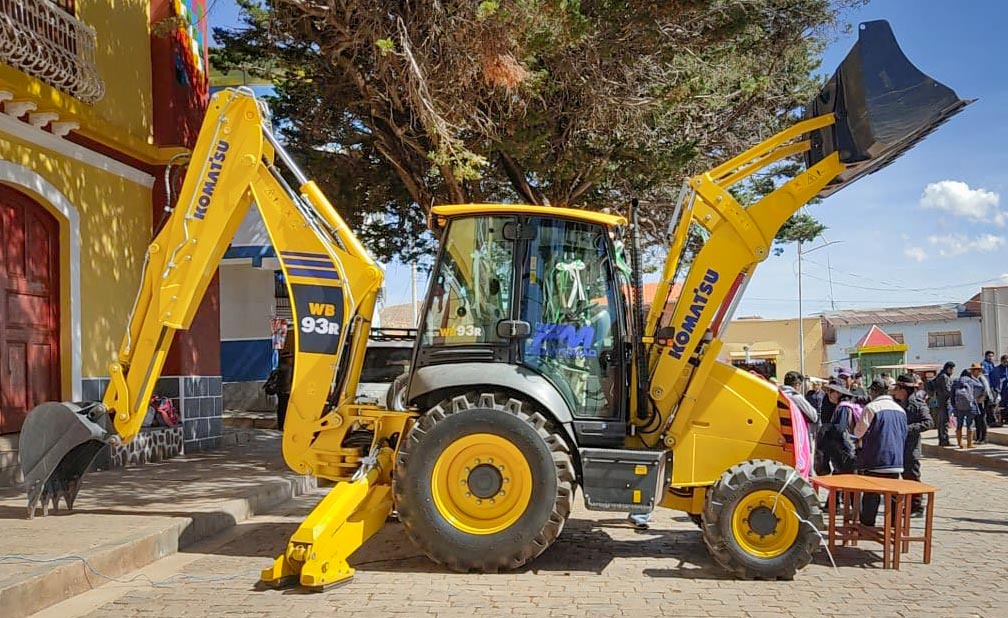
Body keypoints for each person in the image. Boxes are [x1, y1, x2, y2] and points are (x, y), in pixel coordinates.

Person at [854, 379, 908, 527]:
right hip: (896, 461)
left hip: (875, 459)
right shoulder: (900, 410)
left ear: (874, 391)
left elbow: (859, 432)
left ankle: (867, 527)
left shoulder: (871, 408)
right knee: (893, 497)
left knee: (871, 496)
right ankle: (893, 528)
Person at [891, 374, 933, 516]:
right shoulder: (896, 403)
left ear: (903, 390)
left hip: (911, 446)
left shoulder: (918, 404)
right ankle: (906, 505)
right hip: (898, 445)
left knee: (912, 476)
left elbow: (928, 422)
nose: (894, 392)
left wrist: (907, 428)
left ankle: (916, 506)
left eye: (897, 388)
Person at [814, 382, 858, 477]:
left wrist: (827, 428)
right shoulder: (845, 405)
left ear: (839, 393)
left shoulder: (843, 407)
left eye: (831, 391)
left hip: (846, 455)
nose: (828, 394)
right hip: (848, 454)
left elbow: (840, 429)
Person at [951, 365, 985, 449]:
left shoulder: (956, 381)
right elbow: (981, 387)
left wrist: (954, 405)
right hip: (970, 406)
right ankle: (969, 444)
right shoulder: (971, 381)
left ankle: (960, 443)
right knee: (969, 425)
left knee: (959, 425)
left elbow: (952, 395)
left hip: (958, 407)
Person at [782, 371, 819, 441]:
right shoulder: (796, 397)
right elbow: (814, 416)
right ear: (797, 385)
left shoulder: (778, 395)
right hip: (796, 438)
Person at [933, 361, 956, 447]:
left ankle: (942, 439)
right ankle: (944, 440)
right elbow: (947, 390)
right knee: (944, 422)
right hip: (944, 402)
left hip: (941, 401)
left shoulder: (940, 375)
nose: (953, 371)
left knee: (942, 422)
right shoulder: (944, 377)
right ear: (949, 369)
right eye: (952, 369)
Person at [275, 350, 294, 431]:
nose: (291, 359)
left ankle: (281, 425)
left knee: (281, 409)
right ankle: (283, 425)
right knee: (285, 410)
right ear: (287, 359)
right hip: (285, 392)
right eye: (290, 358)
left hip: (280, 391)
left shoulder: (280, 367)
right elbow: (287, 381)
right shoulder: (288, 368)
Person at [990, 354, 1008, 428]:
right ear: (1001, 361)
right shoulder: (996, 370)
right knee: (1000, 407)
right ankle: (999, 421)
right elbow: (995, 381)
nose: (1006, 363)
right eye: (1005, 362)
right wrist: (997, 391)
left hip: (1007, 390)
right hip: (1000, 392)